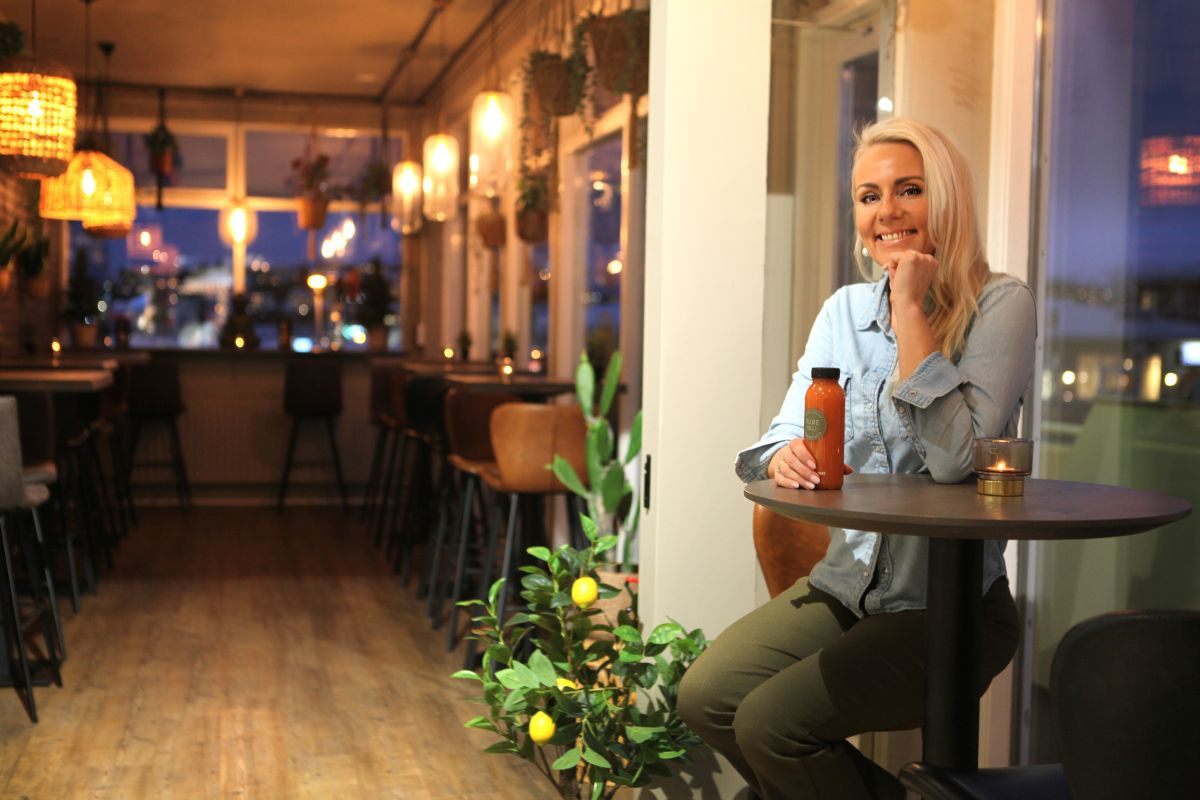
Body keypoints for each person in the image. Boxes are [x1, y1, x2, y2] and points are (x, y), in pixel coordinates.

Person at [677, 118, 1035, 799]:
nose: (886, 210)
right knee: (707, 697)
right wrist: (782, 456)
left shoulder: (1001, 303)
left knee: (771, 726)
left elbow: (956, 459)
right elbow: (783, 431)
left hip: (950, 609)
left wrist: (909, 309)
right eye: (869, 196)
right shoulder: (843, 310)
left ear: (948, 199)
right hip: (845, 588)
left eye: (909, 190)